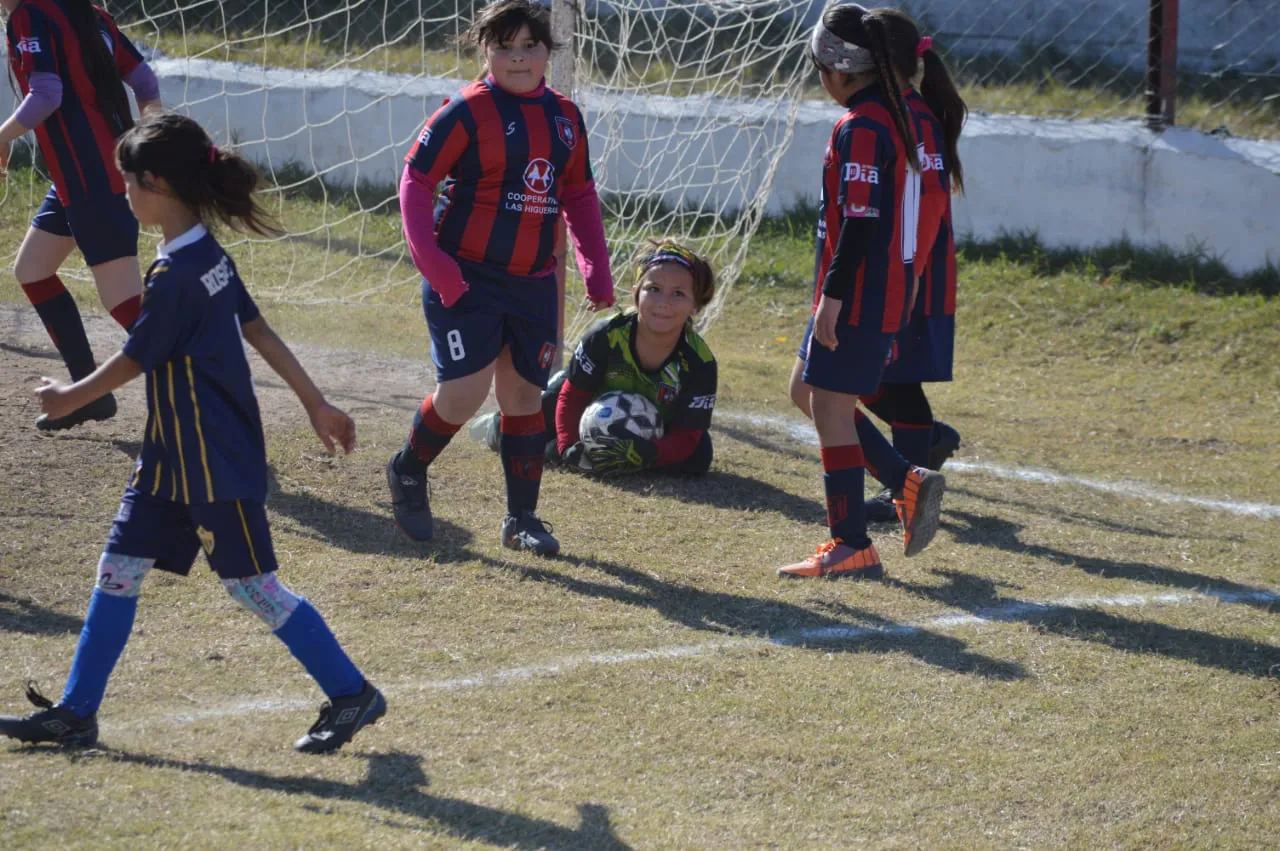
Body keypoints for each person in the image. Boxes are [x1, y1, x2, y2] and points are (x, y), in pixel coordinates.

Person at [0, 114, 384, 754]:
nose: (122, 193)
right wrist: (314, 402)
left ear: (157, 183)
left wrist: (69, 395)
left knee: (253, 588)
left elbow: (133, 360)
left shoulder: (178, 276)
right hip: (169, 459)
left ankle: (352, 694)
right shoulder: (203, 255)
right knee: (117, 570)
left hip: (212, 460)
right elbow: (255, 329)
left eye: (128, 181)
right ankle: (76, 712)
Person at [387, 0, 614, 556]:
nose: (518, 58)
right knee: (463, 396)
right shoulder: (465, 112)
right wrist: (437, 269)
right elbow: (416, 184)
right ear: (484, 49)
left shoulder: (565, 117)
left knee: (521, 397)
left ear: (547, 51)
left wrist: (596, 267)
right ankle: (408, 469)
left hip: (534, 282)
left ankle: (522, 519)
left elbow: (579, 194)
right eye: (504, 47)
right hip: (465, 278)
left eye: (529, 46)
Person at [778, 3, 944, 580]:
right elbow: (927, 209)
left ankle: (850, 543)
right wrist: (914, 271)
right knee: (807, 390)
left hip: (859, 292)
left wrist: (833, 297)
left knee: (828, 406)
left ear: (838, 72)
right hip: (887, 287)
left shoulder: (863, 125)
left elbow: (862, 219)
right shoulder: (914, 114)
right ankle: (906, 481)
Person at [1, 0, 162, 430]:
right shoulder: (88, 12)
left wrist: (2, 136)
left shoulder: (28, 14)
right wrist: (150, 129)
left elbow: (47, 93)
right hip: (85, 176)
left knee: (126, 305)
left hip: (93, 180)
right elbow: (144, 77)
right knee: (33, 269)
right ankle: (86, 396)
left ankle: (209, 393)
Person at [475, 240, 717, 476]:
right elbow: (572, 397)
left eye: (678, 294)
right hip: (585, 403)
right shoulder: (607, 334)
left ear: (695, 305)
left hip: (653, 427)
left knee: (698, 457)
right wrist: (568, 445)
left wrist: (647, 453)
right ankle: (495, 426)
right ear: (635, 293)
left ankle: (616, 459)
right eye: (653, 289)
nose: (663, 303)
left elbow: (686, 436)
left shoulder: (700, 363)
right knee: (524, 432)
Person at [859, 10, 967, 521]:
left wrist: (909, 274)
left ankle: (907, 480)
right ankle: (925, 448)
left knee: (893, 379)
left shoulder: (908, 117)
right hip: (907, 265)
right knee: (870, 375)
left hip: (910, 270)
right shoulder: (903, 110)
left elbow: (924, 207)